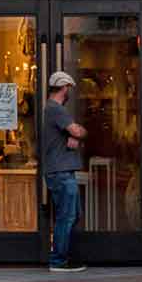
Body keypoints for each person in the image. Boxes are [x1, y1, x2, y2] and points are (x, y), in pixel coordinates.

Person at [43, 69, 87, 271]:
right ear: (64, 87)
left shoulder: (52, 109)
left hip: (61, 170)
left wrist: (74, 136)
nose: (69, 92)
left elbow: (74, 134)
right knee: (66, 216)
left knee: (72, 214)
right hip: (60, 171)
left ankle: (62, 257)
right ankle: (58, 261)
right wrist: (77, 133)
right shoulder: (56, 109)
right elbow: (78, 130)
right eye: (69, 88)